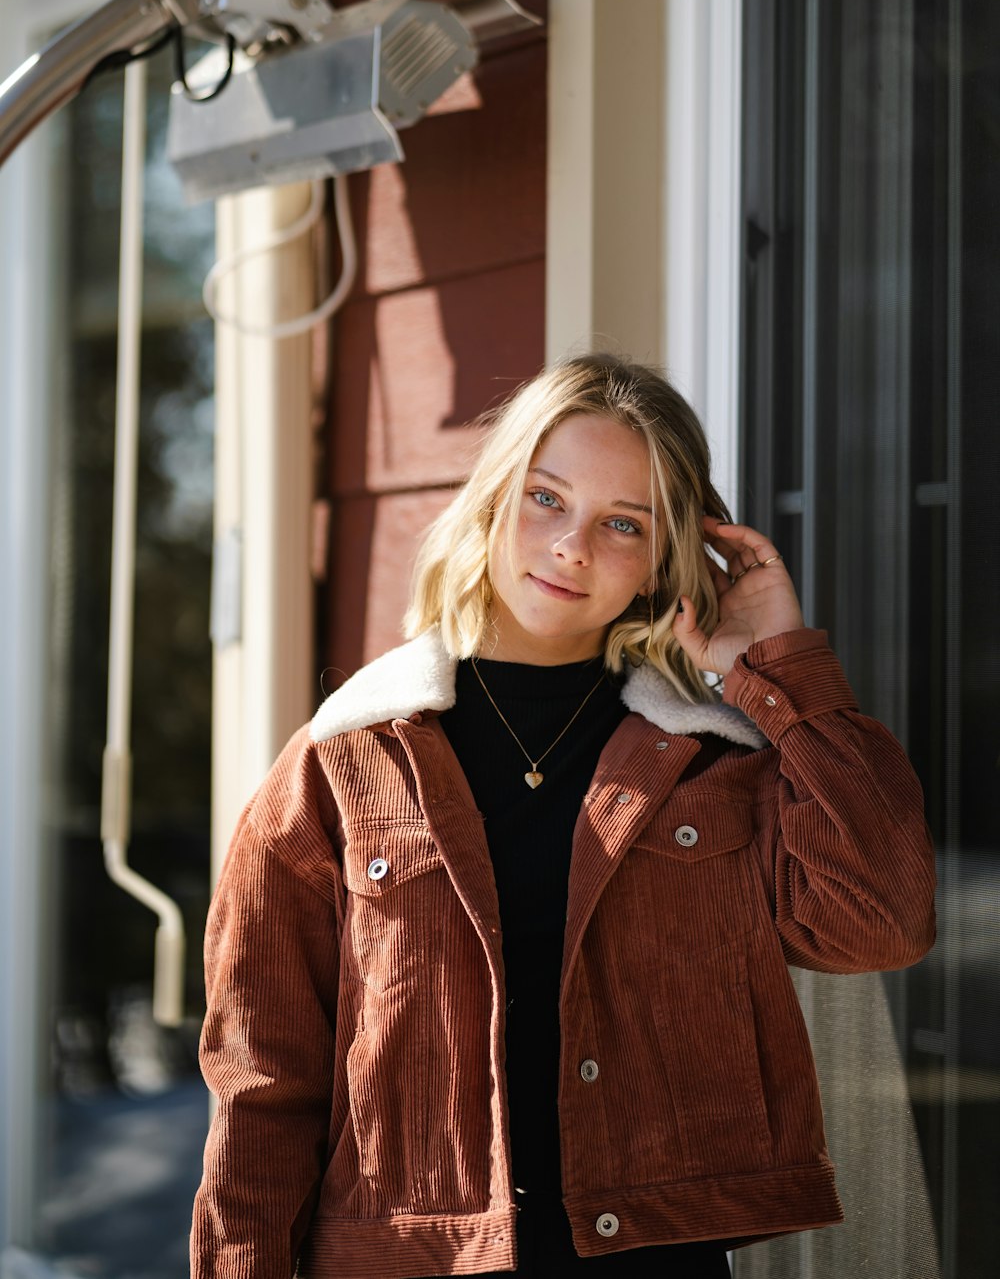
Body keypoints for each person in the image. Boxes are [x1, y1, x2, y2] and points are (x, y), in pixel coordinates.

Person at [190, 353, 936, 1279]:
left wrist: (778, 664)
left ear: (667, 560)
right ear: (497, 496)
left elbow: (883, 922)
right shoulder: (342, 766)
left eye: (623, 523)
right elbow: (262, 1090)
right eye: (547, 498)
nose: (572, 545)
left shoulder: (712, 765)